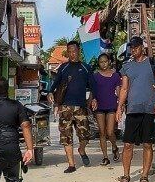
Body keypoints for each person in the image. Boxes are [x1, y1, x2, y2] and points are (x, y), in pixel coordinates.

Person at [116, 36, 155, 182]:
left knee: (147, 144)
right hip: (132, 110)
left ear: (142, 48)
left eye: (136, 47)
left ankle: (144, 176)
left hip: (150, 110)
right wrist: (119, 107)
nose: (134, 50)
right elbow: (124, 89)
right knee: (128, 144)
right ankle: (126, 175)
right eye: (131, 47)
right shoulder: (127, 66)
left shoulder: (153, 63)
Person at [48, 40, 96, 173]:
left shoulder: (86, 67)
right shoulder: (63, 67)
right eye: (69, 52)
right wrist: (50, 92)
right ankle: (71, 164)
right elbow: (55, 84)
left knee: (85, 135)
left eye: (74, 51)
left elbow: (93, 87)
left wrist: (92, 100)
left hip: (81, 107)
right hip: (65, 107)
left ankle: (81, 149)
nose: (72, 54)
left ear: (78, 51)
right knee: (66, 136)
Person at [91, 53, 121, 165]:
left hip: (112, 106)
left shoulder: (116, 76)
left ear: (109, 62)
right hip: (99, 107)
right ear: (98, 63)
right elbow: (93, 91)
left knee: (110, 132)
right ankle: (105, 157)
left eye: (105, 61)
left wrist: (120, 106)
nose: (103, 64)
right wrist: (93, 99)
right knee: (102, 132)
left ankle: (114, 146)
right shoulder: (95, 76)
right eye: (101, 62)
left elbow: (118, 92)